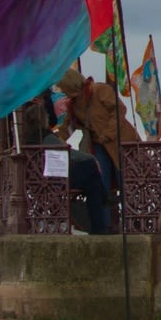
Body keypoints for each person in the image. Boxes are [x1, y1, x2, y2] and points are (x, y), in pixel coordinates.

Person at [52, 65, 140, 234]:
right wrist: (56, 139)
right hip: (98, 145)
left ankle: (133, 224)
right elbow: (69, 126)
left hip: (120, 142)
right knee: (102, 183)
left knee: (126, 182)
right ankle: (104, 225)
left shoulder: (100, 90)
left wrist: (108, 133)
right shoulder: (75, 103)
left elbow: (119, 110)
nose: (63, 92)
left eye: (64, 88)